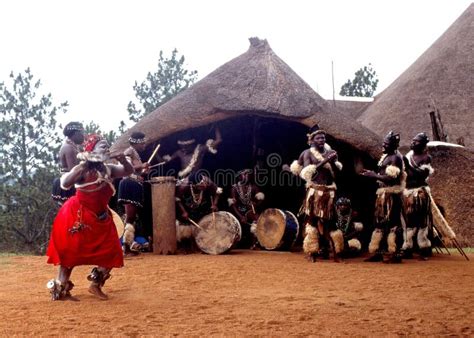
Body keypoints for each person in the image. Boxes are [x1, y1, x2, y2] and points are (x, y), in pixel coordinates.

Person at [46, 134, 133, 301]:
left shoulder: (108, 168)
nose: (107, 148)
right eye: (102, 146)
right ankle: (61, 290)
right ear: (91, 149)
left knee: (113, 251)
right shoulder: (82, 169)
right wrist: (82, 166)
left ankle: (95, 284)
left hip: (101, 218)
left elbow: (128, 171)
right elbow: (64, 184)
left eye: (107, 146)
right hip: (77, 216)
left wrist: (123, 160)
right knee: (70, 254)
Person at [290, 129, 344, 262]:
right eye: (319, 138)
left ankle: (337, 252)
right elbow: (309, 173)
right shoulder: (307, 153)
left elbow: (337, 173)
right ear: (312, 140)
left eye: (323, 138)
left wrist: (331, 161)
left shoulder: (331, 153)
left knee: (331, 223)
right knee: (312, 221)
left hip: (329, 192)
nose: (322, 140)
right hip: (315, 192)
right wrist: (325, 161)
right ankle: (312, 252)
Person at [360, 131, 405, 263]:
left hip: (391, 195)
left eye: (387, 143)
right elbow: (381, 174)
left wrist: (374, 175)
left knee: (392, 224)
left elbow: (391, 178)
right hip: (382, 194)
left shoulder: (395, 158)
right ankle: (378, 252)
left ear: (394, 145)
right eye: (384, 143)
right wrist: (371, 173)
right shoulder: (387, 156)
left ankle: (394, 254)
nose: (384, 145)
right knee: (379, 223)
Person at [401, 132, 434, 260]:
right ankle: (408, 246)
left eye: (417, 141)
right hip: (408, 192)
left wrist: (408, 165)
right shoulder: (409, 156)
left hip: (419, 192)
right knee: (408, 221)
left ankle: (424, 247)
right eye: (413, 140)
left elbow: (422, 175)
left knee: (421, 221)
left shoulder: (426, 158)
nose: (413, 143)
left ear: (423, 144)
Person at [117, 131, 151, 254]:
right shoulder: (129, 152)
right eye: (143, 143)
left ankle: (127, 245)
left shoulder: (135, 153)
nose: (145, 145)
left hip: (134, 183)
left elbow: (136, 172)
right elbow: (127, 168)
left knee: (132, 217)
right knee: (130, 217)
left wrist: (143, 171)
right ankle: (125, 247)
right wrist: (142, 165)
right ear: (138, 143)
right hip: (129, 184)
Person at [175, 173, 222, 252]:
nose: (205, 185)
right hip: (187, 204)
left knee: (201, 223)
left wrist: (215, 204)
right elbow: (177, 199)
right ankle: (185, 246)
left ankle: (199, 244)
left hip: (201, 204)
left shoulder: (208, 182)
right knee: (185, 227)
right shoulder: (184, 186)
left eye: (204, 183)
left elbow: (218, 192)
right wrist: (184, 212)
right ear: (194, 185)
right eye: (201, 185)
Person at [228, 169, 265, 248]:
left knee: (257, 219)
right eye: (244, 174)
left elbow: (260, 201)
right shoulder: (235, 188)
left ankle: (254, 244)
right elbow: (233, 205)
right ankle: (232, 244)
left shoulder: (254, 187)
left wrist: (255, 204)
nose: (246, 176)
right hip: (237, 211)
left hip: (249, 210)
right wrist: (240, 216)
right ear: (240, 176)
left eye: (248, 174)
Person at [51, 122, 85, 204]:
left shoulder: (73, 146)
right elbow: (74, 171)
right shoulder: (69, 148)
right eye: (82, 133)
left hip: (70, 182)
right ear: (76, 133)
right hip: (70, 185)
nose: (83, 136)